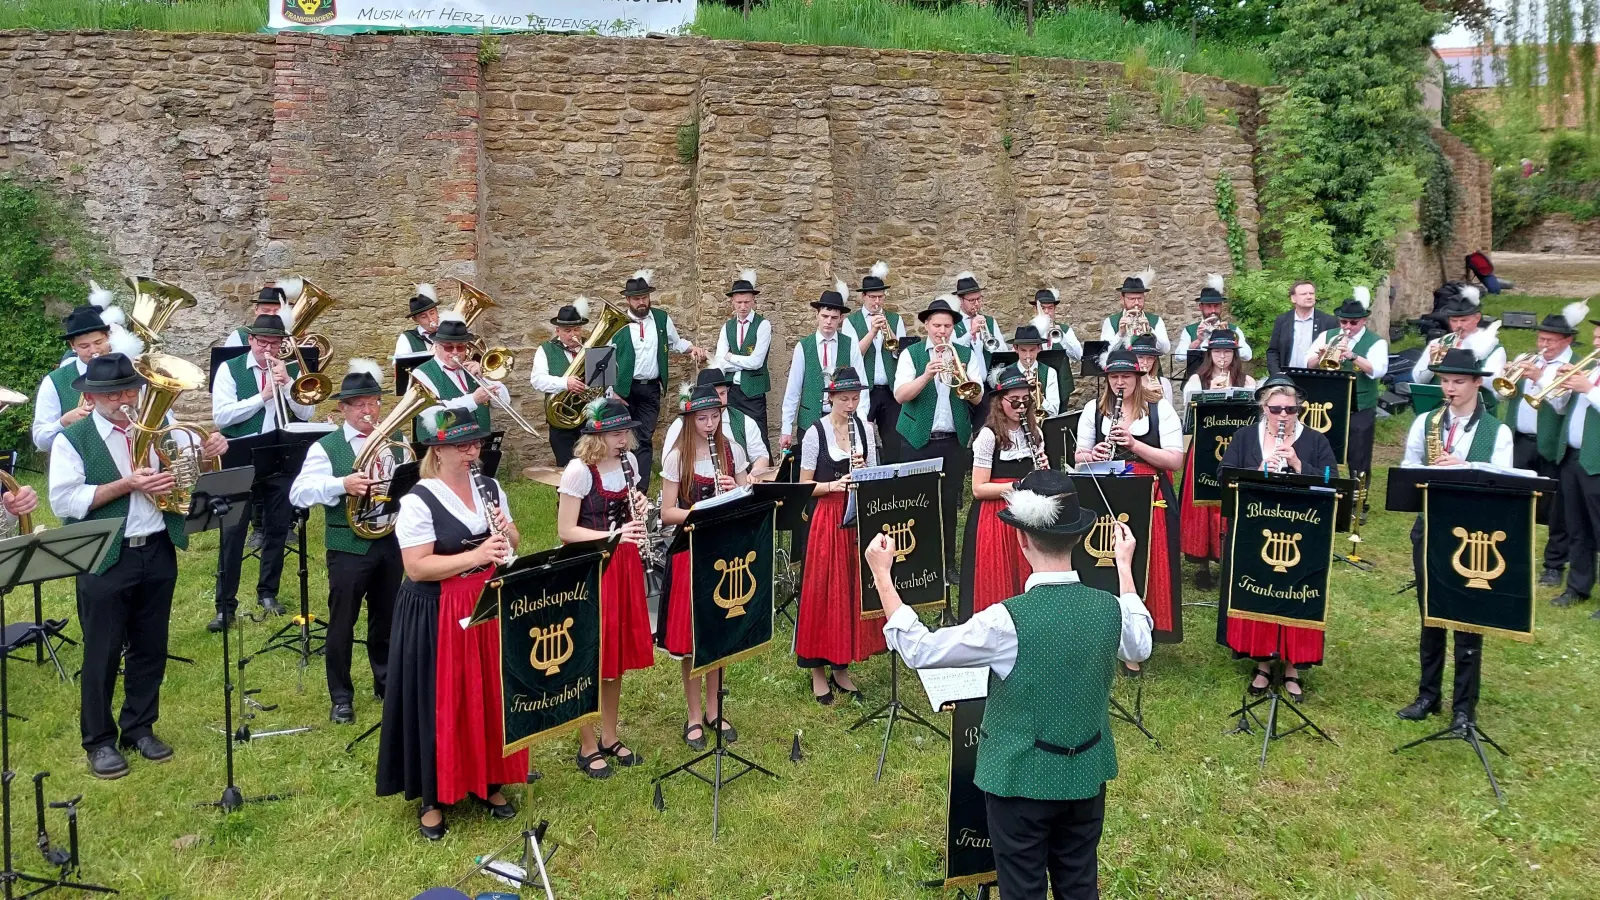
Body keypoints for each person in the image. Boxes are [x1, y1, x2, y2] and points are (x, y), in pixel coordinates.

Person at [870, 470, 1151, 900]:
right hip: (1086, 778)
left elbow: (921, 649)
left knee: (1021, 890)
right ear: (1078, 538)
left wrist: (882, 576)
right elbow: (1140, 645)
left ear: (1022, 540)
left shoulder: (1005, 622)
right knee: (1079, 884)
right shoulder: (1112, 607)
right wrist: (1124, 569)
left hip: (1020, 784)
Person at [47, 353, 228, 778]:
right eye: (113, 394)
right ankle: (99, 741)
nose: (124, 400)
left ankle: (139, 727)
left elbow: (189, 478)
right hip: (105, 554)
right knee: (103, 650)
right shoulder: (71, 440)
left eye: (130, 390)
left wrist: (207, 455)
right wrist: (127, 484)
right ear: (91, 398)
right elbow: (64, 501)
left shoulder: (163, 427)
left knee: (151, 645)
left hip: (158, 547)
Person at [377, 407, 526, 841]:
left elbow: (514, 538)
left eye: (475, 443)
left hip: (485, 598)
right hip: (435, 609)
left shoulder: (490, 486)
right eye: (461, 445)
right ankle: (432, 796)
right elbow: (417, 567)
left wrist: (504, 532)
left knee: (487, 690)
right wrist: (476, 555)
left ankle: (488, 779)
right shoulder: (418, 499)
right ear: (437, 451)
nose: (471, 451)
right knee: (439, 698)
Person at [1396, 349, 1513, 730]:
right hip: (1432, 523)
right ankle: (1427, 695)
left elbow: (1503, 477)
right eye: (1445, 381)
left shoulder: (1498, 431)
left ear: (1477, 383)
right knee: (1430, 612)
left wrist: (1465, 466)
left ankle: (1464, 707)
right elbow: (1408, 467)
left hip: (1475, 532)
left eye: (1459, 381)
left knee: (1467, 615)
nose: (1450, 388)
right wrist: (1426, 471)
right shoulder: (1425, 422)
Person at [288, 360, 401, 725]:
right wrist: (342, 484)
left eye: (374, 403)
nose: (369, 410)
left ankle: (386, 683)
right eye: (360, 404)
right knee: (342, 623)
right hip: (348, 544)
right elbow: (298, 493)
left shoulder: (393, 441)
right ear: (343, 409)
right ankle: (341, 697)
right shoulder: (327, 447)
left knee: (387, 617)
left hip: (390, 539)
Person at [1215, 376, 1338, 700]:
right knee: (1259, 589)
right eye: (1276, 409)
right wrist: (1257, 470)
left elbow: (1333, 482)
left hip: (1303, 530)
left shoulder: (1316, 440)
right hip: (1256, 529)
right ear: (1263, 407)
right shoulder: (1245, 437)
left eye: (1291, 409)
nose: (1284, 415)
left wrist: (1299, 464)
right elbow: (1224, 475)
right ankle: (1263, 662)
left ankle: (1294, 664)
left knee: (1297, 591)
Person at [555, 398, 656, 779]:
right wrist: (614, 535)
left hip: (622, 566)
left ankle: (609, 735)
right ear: (597, 437)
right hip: (589, 568)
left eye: (625, 433)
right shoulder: (579, 471)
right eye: (615, 434)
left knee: (614, 657)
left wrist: (638, 507)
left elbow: (628, 516)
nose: (623, 440)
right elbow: (566, 531)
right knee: (588, 656)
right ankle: (586, 744)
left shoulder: (629, 463)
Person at [1075, 349, 1184, 665]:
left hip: (1147, 493)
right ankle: (1101, 631)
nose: (1120, 383)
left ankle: (1139, 635)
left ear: (1138, 377)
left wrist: (1135, 445)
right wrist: (1092, 455)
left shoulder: (1159, 409)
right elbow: (1078, 455)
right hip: (1105, 491)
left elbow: (1174, 460)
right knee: (1102, 561)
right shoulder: (1094, 410)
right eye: (1114, 377)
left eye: (1126, 376)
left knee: (1145, 560)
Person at [209, 313, 318, 630]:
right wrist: (263, 396)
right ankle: (224, 606)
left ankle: (268, 593)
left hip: (280, 457)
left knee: (278, 527)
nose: (268, 349)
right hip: (240, 456)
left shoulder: (291, 369)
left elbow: (306, 413)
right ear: (251, 340)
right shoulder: (230, 369)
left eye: (275, 343)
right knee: (232, 532)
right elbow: (222, 417)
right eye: (263, 342)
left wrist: (287, 385)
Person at [657, 385, 749, 750]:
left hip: (723, 552)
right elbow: (667, 512)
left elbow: (746, 495)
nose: (709, 424)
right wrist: (701, 511)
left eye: (714, 417)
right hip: (691, 551)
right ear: (689, 419)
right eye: (702, 418)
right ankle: (694, 715)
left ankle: (714, 709)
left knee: (718, 633)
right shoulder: (677, 457)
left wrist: (733, 491)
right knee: (692, 640)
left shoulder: (731, 451)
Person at [795, 367, 883, 704]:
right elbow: (804, 485)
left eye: (855, 398)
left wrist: (864, 473)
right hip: (827, 516)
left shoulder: (864, 428)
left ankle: (841, 665)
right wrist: (834, 484)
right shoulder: (815, 432)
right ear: (831, 398)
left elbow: (875, 475)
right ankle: (817, 670)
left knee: (849, 590)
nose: (850, 405)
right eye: (844, 399)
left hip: (855, 516)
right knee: (822, 590)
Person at [895, 296, 988, 570]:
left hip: (952, 441)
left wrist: (961, 377)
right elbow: (900, 395)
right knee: (916, 502)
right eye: (937, 325)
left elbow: (977, 397)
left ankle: (947, 565)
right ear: (926, 325)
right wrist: (926, 375)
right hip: (917, 440)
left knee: (949, 504)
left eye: (947, 326)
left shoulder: (965, 355)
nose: (942, 331)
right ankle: (918, 562)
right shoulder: (911, 355)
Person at [609, 269, 708, 487]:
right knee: (620, 438)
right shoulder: (617, 324)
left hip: (651, 388)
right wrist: (611, 392)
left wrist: (691, 348)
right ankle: (621, 485)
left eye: (645, 297)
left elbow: (675, 342)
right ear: (628, 300)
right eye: (637, 299)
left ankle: (640, 489)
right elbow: (604, 358)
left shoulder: (661, 319)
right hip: (623, 390)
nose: (642, 302)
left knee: (644, 438)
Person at [1510, 304, 1583, 594]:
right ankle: (1512, 554)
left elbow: (1561, 404)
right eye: (1541, 338)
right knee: (1514, 498)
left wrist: (1540, 378)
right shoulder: (1528, 359)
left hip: (1553, 444)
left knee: (1557, 509)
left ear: (1567, 340)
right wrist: (1509, 374)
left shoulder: (1577, 365)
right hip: (1520, 440)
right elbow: (1502, 392)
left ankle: (1554, 565)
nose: (1544, 345)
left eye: (1550, 341)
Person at [1178, 329, 1255, 590]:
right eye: (1217, 351)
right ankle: (1202, 566)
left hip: (1237, 450)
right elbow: (1189, 415)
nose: (1222, 356)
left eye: (1227, 352)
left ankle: (1230, 561)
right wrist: (1211, 392)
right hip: (1204, 449)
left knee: (1231, 504)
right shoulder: (1197, 380)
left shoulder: (1247, 381)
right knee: (1203, 505)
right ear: (1209, 354)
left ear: (1235, 355)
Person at [962, 366, 1041, 621]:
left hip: (1027, 511)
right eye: (1014, 401)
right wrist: (1017, 486)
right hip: (995, 514)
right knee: (997, 572)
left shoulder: (1034, 432)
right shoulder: (988, 436)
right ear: (1000, 402)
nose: (1021, 407)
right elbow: (978, 489)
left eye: (1025, 401)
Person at [1306, 286, 1390, 518]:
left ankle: (1357, 504)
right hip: (1330, 403)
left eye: (1353, 323)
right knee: (1321, 449)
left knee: (1359, 456)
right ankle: (1321, 492)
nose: (1347, 327)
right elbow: (1307, 363)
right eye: (1343, 322)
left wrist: (1353, 356)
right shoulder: (1327, 336)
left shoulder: (1376, 342)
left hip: (1360, 405)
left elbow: (1378, 370)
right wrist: (1321, 355)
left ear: (1363, 320)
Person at [32, 282, 143, 452]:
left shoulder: (131, 371)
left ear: (108, 337)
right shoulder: (54, 381)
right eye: (84, 346)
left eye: (98, 342)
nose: (93, 351)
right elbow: (41, 442)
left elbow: (163, 418)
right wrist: (63, 422)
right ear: (72, 346)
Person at [1546, 321, 1600, 612]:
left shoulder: (1590, 379)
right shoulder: (1591, 369)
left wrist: (1588, 389)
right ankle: (1577, 587)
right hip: (1573, 457)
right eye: (1595, 337)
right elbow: (1561, 409)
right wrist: (1562, 388)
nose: (1595, 343)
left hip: (1598, 460)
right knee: (1577, 527)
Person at [781, 281, 870, 454]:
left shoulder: (850, 345)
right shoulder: (803, 346)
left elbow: (861, 385)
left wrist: (862, 421)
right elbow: (793, 390)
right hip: (809, 419)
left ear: (841, 318)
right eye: (825, 316)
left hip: (843, 420)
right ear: (817, 315)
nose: (828, 321)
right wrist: (786, 428)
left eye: (834, 318)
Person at [406, 311, 509, 440]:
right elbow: (434, 416)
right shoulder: (421, 374)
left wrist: (484, 376)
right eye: (448, 347)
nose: (455, 352)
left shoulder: (472, 369)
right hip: (443, 448)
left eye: (460, 347)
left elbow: (504, 402)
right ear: (436, 346)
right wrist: (473, 400)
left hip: (480, 445)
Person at [841, 262, 907, 463]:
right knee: (862, 438)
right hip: (864, 390)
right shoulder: (851, 322)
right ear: (863, 297)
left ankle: (893, 478)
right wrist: (872, 332)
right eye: (872, 297)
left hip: (890, 390)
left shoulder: (895, 319)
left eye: (880, 297)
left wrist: (888, 330)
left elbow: (901, 353)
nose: (877, 301)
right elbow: (852, 356)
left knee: (894, 440)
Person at [1410, 286, 1507, 411]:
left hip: (1478, 412)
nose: (1458, 326)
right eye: (1454, 321)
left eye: (1464, 320)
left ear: (1477, 318)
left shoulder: (1494, 348)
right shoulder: (1438, 343)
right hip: (1437, 407)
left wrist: (1461, 362)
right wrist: (1432, 363)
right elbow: (1418, 380)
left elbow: (1495, 385)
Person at [662, 368, 771, 478]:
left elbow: (761, 456)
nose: (719, 400)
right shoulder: (680, 425)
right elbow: (668, 463)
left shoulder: (745, 421)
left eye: (722, 393)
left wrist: (754, 473)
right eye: (714, 394)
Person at [528, 301, 592, 466]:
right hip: (560, 419)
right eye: (567, 331)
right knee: (566, 467)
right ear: (558, 331)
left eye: (576, 329)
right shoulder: (546, 349)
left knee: (592, 464)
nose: (573, 335)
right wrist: (565, 383)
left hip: (589, 417)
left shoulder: (591, 347)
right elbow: (537, 380)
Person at [712, 269, 774, 438]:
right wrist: (740, 361)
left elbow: (756, 362)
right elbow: (719, 360)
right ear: (732, 301)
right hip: (731, 391)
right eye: (739, 302)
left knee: (759, 436)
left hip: (754, 393)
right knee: (733, 435)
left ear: (753, 300)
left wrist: (730, 357)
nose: (743, 306)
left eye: (747, 302)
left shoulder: (763, 325)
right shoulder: (727, 327)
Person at [1172, 274, 1253, 368]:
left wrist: (1231, 340)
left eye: (1216, 305)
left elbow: (1247, 356)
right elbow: (1179, 357)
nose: (1213, 310)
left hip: (1225, 376)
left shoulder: (1234, 330)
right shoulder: (1189, 330)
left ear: (1221, 306)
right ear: (1201, 307)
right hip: (1197, 376)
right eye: (1209, 306)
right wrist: (1198, 341)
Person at [1264, 281, 1337, 376]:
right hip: (1287, 376)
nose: (1309, 296)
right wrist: (1277, 375)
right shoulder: (1283, 320)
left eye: (1311, 293)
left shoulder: (1329, 321)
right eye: (1304, 294)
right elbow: (1273, 351)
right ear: (1293, 298)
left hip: (1317, 377)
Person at [1099, 269, 1170, 354]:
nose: (1136, 303)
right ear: (1122, 299)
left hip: (1148, 362)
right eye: (1132, 299)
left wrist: (1150, 331)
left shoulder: (1156, 320)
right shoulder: (1110, 321)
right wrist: (1120, 334)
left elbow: (1165, 350)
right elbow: (1104, 352)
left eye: (1140, 298)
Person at [952, 271, 1009, 364]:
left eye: (979, 298)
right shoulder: (953, 323)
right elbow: (954, 350)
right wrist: (971, 333)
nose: (977, 303)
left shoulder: (990, 321)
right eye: (972, 300)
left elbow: (1003, 351)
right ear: (960, 300)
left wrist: (989, 340)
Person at [1010, 325, 1061, 417]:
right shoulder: (1007, 372)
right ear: (1016, 348)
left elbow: (1054, 412)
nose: (1028, 356)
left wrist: (1039, 397)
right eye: (1023, 350)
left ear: (1039, 348)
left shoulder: (1050, 373)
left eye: (1032, 350)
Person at [222, 285, 286, 348]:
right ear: (256, 309)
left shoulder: (288, 335)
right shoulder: (239, 336)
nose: (271, 314)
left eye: (277, 311)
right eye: (266, 310)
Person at [393, 284, 442, 359]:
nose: (430, 319)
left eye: (432, 313)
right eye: (423, 316)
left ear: (437, 311)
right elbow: (401, 364)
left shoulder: (448, 331)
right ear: (415, 319)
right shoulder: (407, 338)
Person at [1129, 333, 1174, 403]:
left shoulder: (1163, 383)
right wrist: (1145, 393)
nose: (1145, 362)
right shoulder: (1126, 383)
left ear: (1154, 360)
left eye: (1150, 358)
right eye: (1140, 357)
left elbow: (1169, 408)